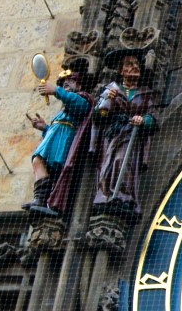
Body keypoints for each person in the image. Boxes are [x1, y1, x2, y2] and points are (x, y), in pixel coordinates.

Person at [92, 49, 158, 216]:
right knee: (109, 164)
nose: (134, 67)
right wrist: (108, 99)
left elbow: (154, 118)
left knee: (124, 161)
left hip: (132, 134)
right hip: (112, 135)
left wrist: (143, 120)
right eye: (129, 64)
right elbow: (99, 117)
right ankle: (107, 195)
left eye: (136, 64)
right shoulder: (111, 90)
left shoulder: (145, 94)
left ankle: (124, 196)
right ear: (121, 70)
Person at [24, 69, 91, 216]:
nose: (66, 84)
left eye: (70, 82)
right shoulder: (64, 108)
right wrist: (44, 128)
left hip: (65, 138)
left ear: (79, 85)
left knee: (55, 169)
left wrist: (56, 90)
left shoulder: (82, 98)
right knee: (37, 160)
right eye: (63, 83)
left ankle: (50, 202)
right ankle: (40, 198)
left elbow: (82, 107)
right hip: (54, 137)